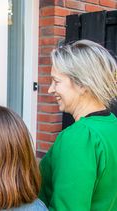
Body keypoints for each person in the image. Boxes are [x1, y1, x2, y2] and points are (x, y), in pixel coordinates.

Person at [39, 40, 117, 210]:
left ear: (82, 84)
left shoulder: (80, 137)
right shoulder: (112, 126)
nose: (50, 90)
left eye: (56, 81)